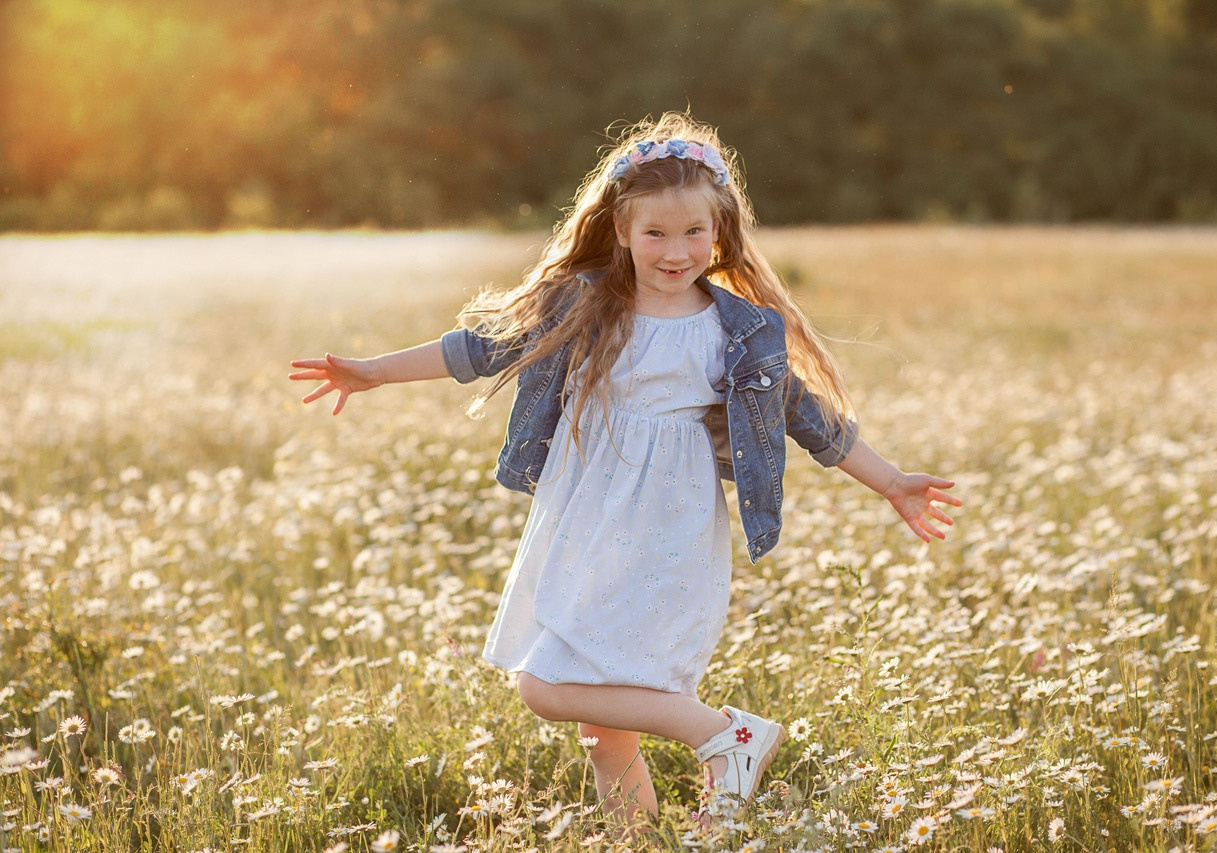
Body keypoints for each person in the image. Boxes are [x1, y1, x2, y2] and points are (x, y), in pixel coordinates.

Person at [290, 113, 960, 830]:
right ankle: (639, 839)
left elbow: (810, 416)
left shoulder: (736, 330)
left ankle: (730, 737)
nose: (676, 251)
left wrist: (891, 480)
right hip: (586, 518)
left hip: (668, 524)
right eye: (656, 233)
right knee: (604, 736)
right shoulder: (585, 302)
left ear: (720, 230)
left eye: (694, 232)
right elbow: (482, 347)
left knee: (544, 686)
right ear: (621, 230)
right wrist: (374, 371)